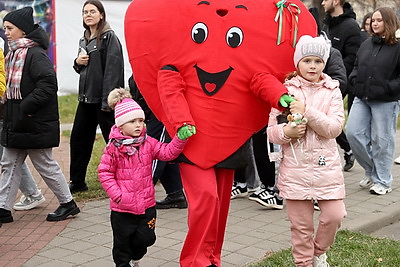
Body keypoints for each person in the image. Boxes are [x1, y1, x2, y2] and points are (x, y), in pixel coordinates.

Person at [267, 35, 347, 267]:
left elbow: (333, 128)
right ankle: (303, 263)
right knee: (301, 227)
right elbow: (271, 131)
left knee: (334, 215)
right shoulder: (285, 91)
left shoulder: (332, 90)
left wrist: (307, 111)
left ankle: (319, 251)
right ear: (297, 62)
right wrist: (287, 132)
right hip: (295, 169)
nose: (312, 66)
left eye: (318, 61)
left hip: (326, 168)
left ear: (324, 63)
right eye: (307, 60)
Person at [0, 7, 80, 224]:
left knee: (44, 164)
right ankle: (3, 209)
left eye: (10, 28)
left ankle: (68, 203)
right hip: (18, 121)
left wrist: (25, 107)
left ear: (23, 31)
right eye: (5, 28)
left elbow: (47, 85)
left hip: (32, 120)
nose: (5, 32)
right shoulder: (14, 53)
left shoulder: (35, 55)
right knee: (10, 163)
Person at [98, 88, 190, 266]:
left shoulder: (148, 143)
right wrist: (118, 195)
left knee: (146, 239)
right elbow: (105, 172)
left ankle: (137, 257)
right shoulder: (114, 147)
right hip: (122, 209)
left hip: (147, 206)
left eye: (140, 120)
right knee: (122, 246)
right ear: (120, 125)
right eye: (132, 121)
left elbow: (167, 153)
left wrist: (180, 139)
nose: (138, 125)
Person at [69, 0, 124, 193]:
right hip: (86, 99)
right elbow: (82, 69)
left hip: (103, 101)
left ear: (101, 14)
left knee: (115, 141)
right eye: (85, 12)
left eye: (92, 11)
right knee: (78, 139)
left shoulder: (109, 37)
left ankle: (124, 179)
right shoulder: (84, 39)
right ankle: (77, 182)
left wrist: (107, 101)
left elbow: (113, 70)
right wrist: (77, 62)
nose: (88, 15)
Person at [346, 7, 400, 195]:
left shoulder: (398, 46)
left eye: (379, 20)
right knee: (352, 133)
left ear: (389, 22)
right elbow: (356, 66)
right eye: (373, 20)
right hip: (362, 97)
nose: (374, 23)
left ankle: (384, 182)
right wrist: (354, 80)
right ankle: (372, 172)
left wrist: (388, 88)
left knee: (381, 140)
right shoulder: (366, 44)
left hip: (386, 101)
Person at [129, 76, 188, 209]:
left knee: (151, 153)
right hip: (151, 113)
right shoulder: (137, 69)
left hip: (160, 113)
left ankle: (142, 196)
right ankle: (175, 193)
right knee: (164, 153)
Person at [321, 0, 361, 172]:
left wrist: (333, 78)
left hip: (339, 81)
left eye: (325, 0)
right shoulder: (325, 25)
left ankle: (344, 150)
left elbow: (352, 59)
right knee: (322, 118)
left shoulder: (351, 27)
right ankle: (347, 149)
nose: (322, 3)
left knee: (326, 117)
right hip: (320, 79)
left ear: (336, 1)